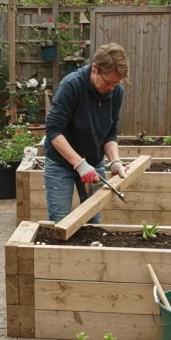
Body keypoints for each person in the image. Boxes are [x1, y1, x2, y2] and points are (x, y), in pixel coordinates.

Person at [43, 43, 130, 223]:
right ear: (95, 69)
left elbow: (110, 131)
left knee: (93, 219)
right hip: (60, 163)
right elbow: (53, 130)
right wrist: (80, 164)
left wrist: (115, 161)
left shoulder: (116, 92)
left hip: (93, 161)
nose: (112, 88)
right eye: (108, 82)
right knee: (60, 221)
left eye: (117, 83)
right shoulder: (71, 86)